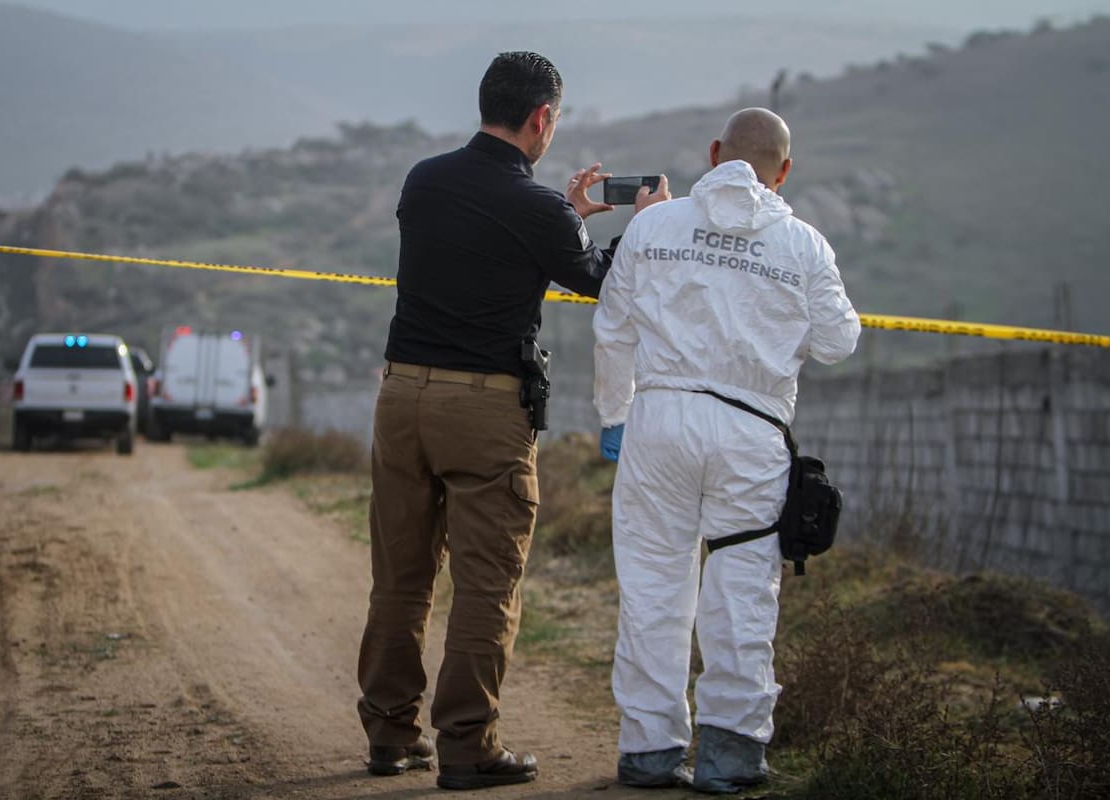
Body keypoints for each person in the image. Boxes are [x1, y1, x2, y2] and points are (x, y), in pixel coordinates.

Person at [356, 51, 670, 791]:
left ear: (485, 104)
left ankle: (390, 733)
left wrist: (568, 219)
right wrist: (643, 228)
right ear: (543, 118)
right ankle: (467, 746)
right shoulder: (541, 212)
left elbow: (486, 238)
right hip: (484, 408)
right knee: (486, 584)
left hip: (401, 397)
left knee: (399, 577)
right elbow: (600, 281)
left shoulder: (424, 180)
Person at [592, 107, 861, 793]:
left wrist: (614, 417)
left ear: (714, 154)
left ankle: (650, 751)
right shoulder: (804, 243)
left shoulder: (653, 224)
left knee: (654, 587)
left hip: (658, 422)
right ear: (786, 171)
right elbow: (838, 343)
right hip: (751, 432)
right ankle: (731, 754)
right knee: (741, 590)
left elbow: (613, 330)